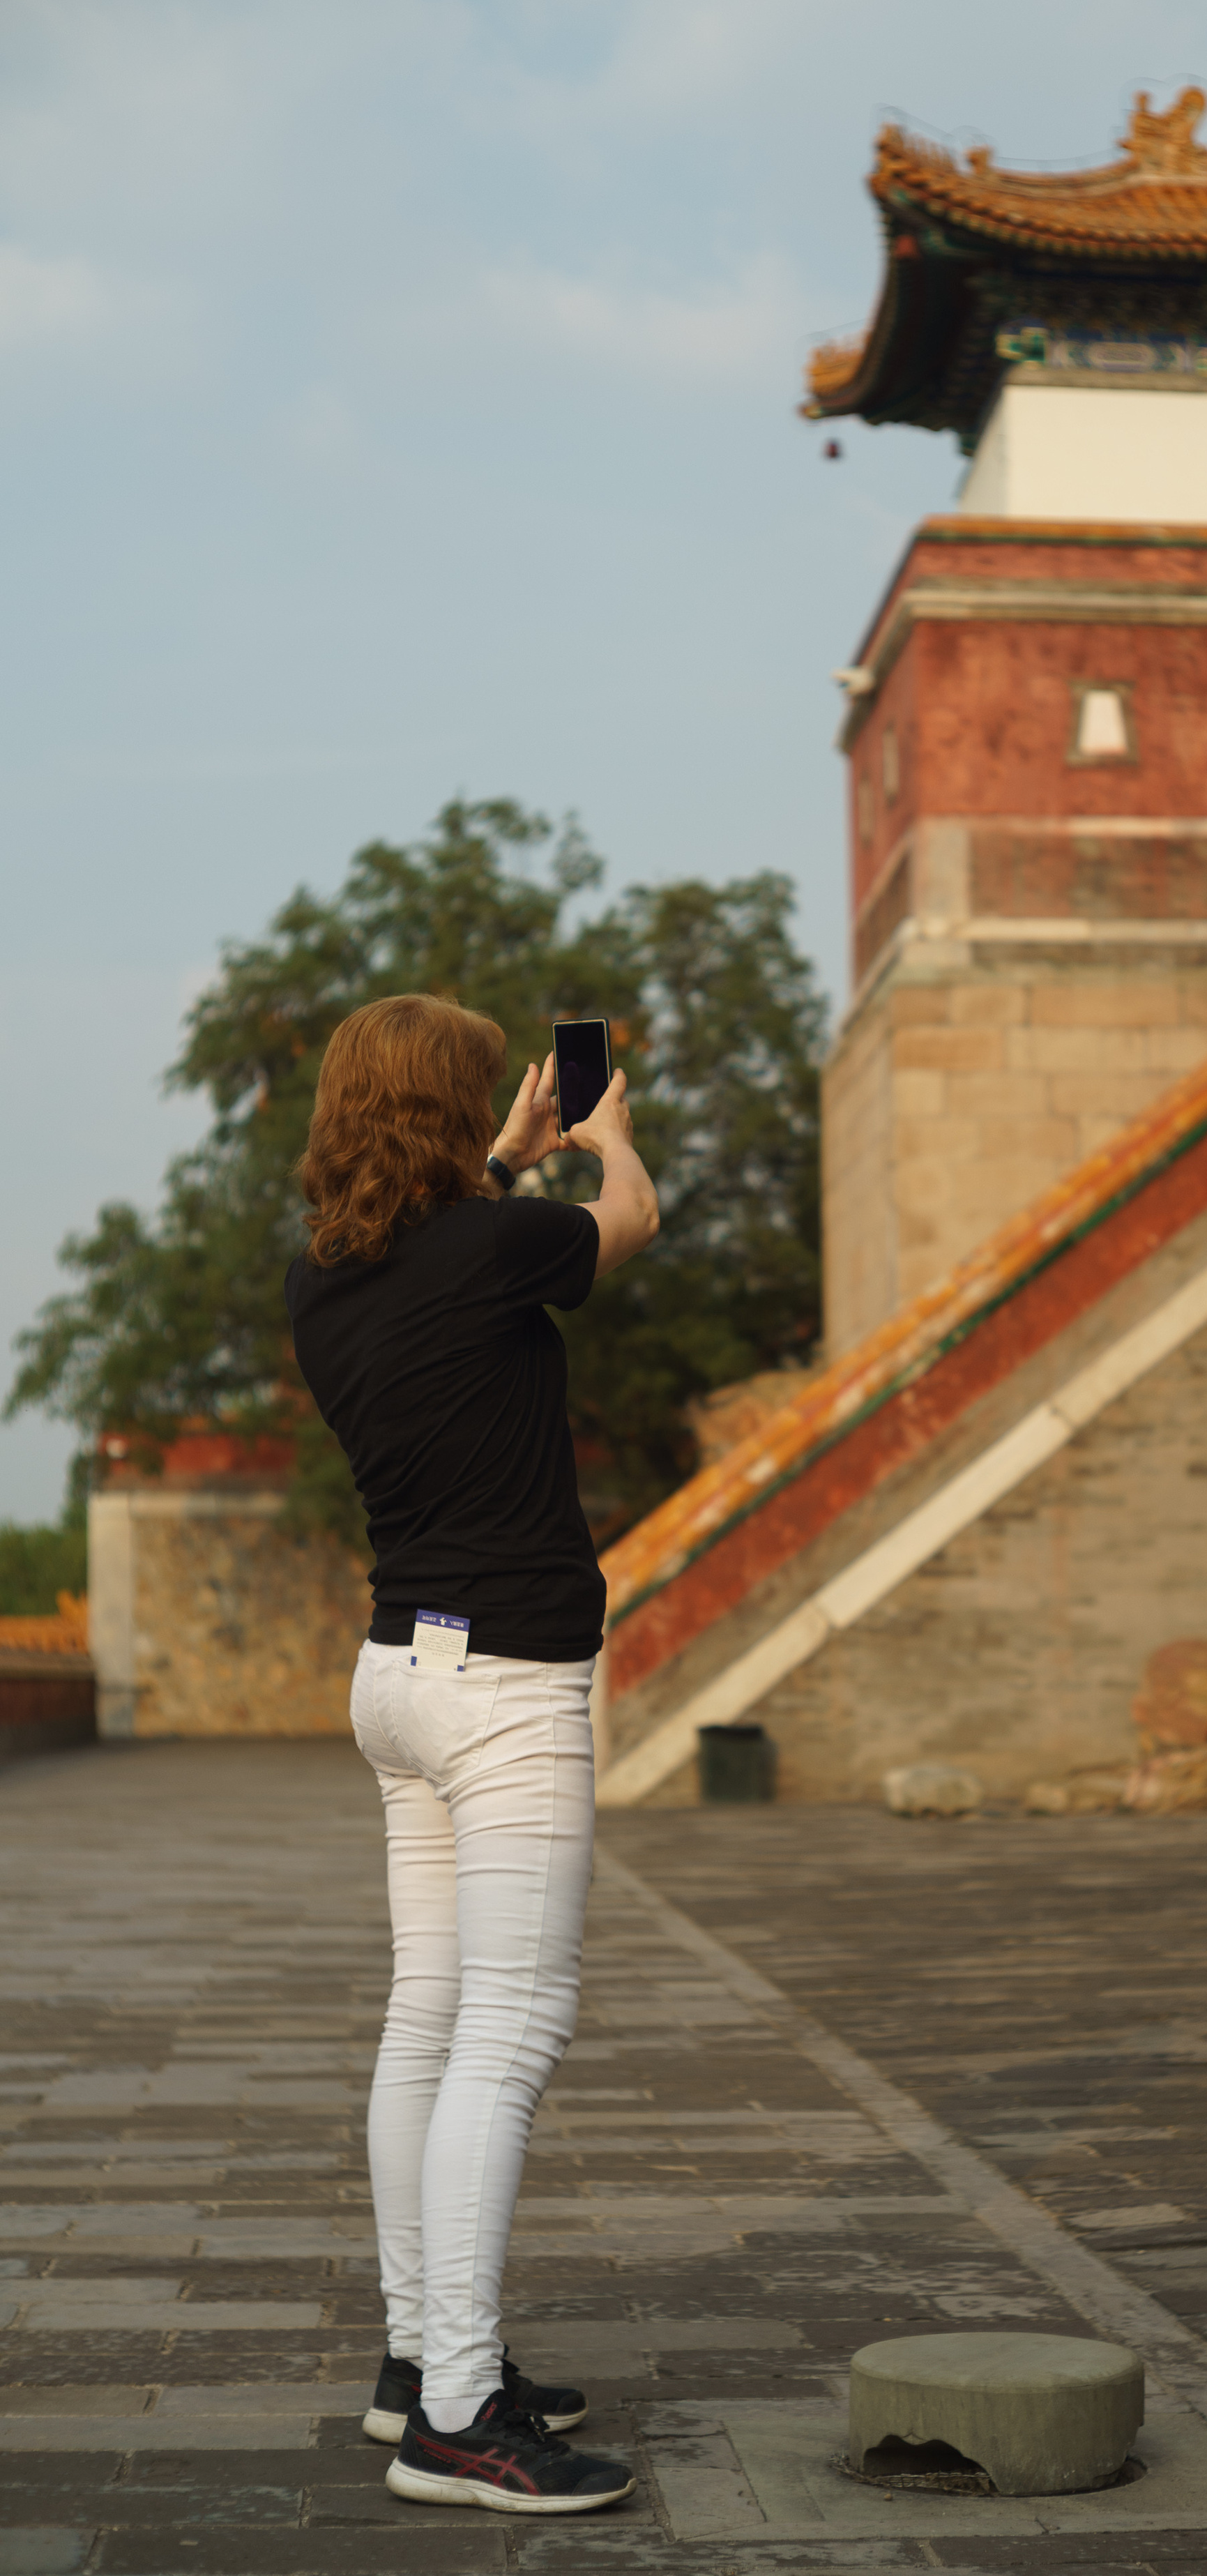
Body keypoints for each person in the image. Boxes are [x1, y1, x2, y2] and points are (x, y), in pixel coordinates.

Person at [285, 993, 659, 2517]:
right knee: (509, 2028)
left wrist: (501, 1161)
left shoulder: (323, 1281)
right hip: (504, 1685)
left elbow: (440, 1248)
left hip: (396, 1680)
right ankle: (456, 2418)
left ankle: (416, 2362)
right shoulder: (501, 1252)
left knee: (428, 2021)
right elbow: (626, 1221)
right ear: (457, 1106)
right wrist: (603, 1136)